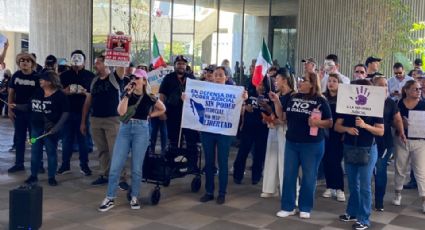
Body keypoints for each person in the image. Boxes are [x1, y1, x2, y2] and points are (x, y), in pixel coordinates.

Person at [98, 69, 165, 212]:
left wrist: (150, 115)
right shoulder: (126, 93)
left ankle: (134, 196)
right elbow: (121, 112)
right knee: (116, 165)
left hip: (141, 130)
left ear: (144, 80)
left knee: (136, 167)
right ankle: (110, 197)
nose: (134, 80)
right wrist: (127, 95)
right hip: (125, 129)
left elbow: (162, 108)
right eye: (133, 77)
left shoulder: (150, 96)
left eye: (138, 78)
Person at [270, 72, 332, 219]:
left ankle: (305, 207)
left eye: (303, 80)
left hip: (312, 144)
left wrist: (317, 123)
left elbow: (329, 122)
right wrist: (277, 102)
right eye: (299, 79)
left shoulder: (320, 100)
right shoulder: (293, 97)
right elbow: (283, 117)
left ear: (311, 83)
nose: (299, 82)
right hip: (292, 142)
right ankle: (288, 206)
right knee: (289, 175)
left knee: (309, 176)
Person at [336, 79, 384, 230]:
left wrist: (365, 125)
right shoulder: (346, 106)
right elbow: (337, 126)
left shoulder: (375, 108)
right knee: (352, 183)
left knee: (364, 185)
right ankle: (352, 212)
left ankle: (364, 218)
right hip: (350, 147)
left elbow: (380, 131)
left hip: (368, 148)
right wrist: (347, 129)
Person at [198, 66, 248, 204]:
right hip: (208, 130)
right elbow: (196, 102)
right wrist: (186, 97)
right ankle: (209, 191)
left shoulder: (233, 92)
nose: (219, 77)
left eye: (221, 75)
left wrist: (243, 99)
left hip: (224, 132)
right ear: (212, 77)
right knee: (208, 162)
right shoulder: (205, 90)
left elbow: (240, 108)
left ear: (226, 77)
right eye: (216, 75)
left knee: (222, 162)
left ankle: (222, 192)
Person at [81, 54, 129, 188]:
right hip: (96, 119)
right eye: (95, 63)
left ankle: (121, 178)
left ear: (106, 64)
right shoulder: (94, 80)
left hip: (112, 119)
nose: (95, 65)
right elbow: (88, 101)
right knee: (102, 150)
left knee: (116, 149)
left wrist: (119, 46)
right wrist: (83, 121)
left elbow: (122, 66)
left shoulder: (115, 77)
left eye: (98, 63)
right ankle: (105, 174)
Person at [23, 71, 69, 186]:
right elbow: (29, 106)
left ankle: (51, 177)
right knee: (35, 152)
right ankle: (33, 176)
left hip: (50, 128)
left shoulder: (60, 95)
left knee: (51, 152)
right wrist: (15, 106)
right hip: (36, 127)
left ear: (49, 81)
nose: (40, 81)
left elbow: (66, 112)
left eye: (42, 79)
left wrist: (57, 127)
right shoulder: (37, 92)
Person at [159, 55, 199, 172]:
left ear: (186, 66)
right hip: (172, 115)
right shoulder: (168, 78)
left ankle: (192, 166)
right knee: (174, 142)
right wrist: (162, 111)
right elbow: (162, 95)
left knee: (191, 142)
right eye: (179, 63)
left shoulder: (191, 78)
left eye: (183, 64)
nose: (181, 65)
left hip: (189, 115)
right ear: (175, 65)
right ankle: (172, 165)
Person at [58, 50, 95, 176]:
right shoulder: (64, 75)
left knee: (83, 140)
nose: (76, 64)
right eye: (74, 61)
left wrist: (85, 92)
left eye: (79, 61)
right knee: (66, 139)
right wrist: (65, 91)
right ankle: (65, 165)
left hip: (83, 112)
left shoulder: (90, 76)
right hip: (67, 112)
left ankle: (84, 165)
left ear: (84, 62)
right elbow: (57, 91)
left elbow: (93, 94)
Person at [372, 76, 405, 211]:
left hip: (384, 143)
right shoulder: (365, 101)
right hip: (366, 142)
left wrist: (401, 131)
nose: (384, 87)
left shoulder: (391, 103)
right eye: (380, 85)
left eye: (385, 85)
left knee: (380, 171)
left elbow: (397, 119)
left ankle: (379, 202)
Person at [261, 68, 295, 198]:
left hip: (285, 130)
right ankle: (270, 187)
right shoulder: (277, 94)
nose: (275, 81)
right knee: (271, 157)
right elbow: (273, 112)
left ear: (285, 80)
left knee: (283, 159)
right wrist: (268, 117)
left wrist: (277, 120)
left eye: (277, 79)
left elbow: (287, 117)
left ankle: (284, 190)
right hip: (273, 128)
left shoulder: (292, 95)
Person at [392, 80, 425, 213]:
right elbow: (392, 122)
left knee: (421, 172)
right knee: (400, 168)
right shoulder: (398, 104)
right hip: (401, 140)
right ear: (406, 90)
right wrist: (401, 126)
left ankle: (423, 200)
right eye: (415, 89)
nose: (418, 91)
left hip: (420, 142)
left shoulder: (423, 104)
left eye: (419, 89)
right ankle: (397, 194)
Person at [8, 52, 40, 173]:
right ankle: (19, 163)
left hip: (33, 113)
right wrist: (10, 110)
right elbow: (11, 93)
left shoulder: (37, 77)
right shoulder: (16, 76)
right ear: (19, 63)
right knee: (20, 139)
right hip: (19, 114)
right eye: (22, 60)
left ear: (32, 63)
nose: (25, 62)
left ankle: (38, 163)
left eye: (28, 60)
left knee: (34, 139)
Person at [233, 80, 269, 185]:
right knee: (242, 152)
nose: (260, 87)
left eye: (262, 84)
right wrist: (245, 107)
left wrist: (266, 106)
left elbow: (272, 112)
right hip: (248, 128)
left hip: (262, 129)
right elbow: (239, 105)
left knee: (259, 154)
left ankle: (256, 176)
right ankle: (237, 175)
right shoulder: (249, 93)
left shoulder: (269, 96)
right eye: (259, 84)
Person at [322, 73, 345, 202]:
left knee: (336, 160)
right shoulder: (323, 97)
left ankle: (340, 188)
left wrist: (343, 132)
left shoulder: (343, 99)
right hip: (324, 132)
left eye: (334, 81)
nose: (331, 83)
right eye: (329, 81)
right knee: (326, 160)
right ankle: (330, 186)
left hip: (338, 133)